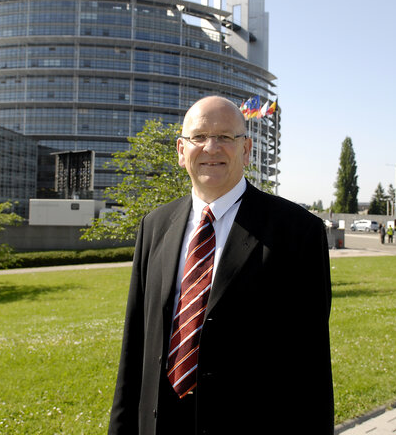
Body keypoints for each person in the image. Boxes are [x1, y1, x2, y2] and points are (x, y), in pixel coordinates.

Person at [109, 96, 334, 435]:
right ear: (181, 151)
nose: (211, 147)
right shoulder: (155, 225)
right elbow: (135, 346)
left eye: (225, 137)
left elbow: (310, 365)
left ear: (246, 150)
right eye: (199, 137)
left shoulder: (297, 232)